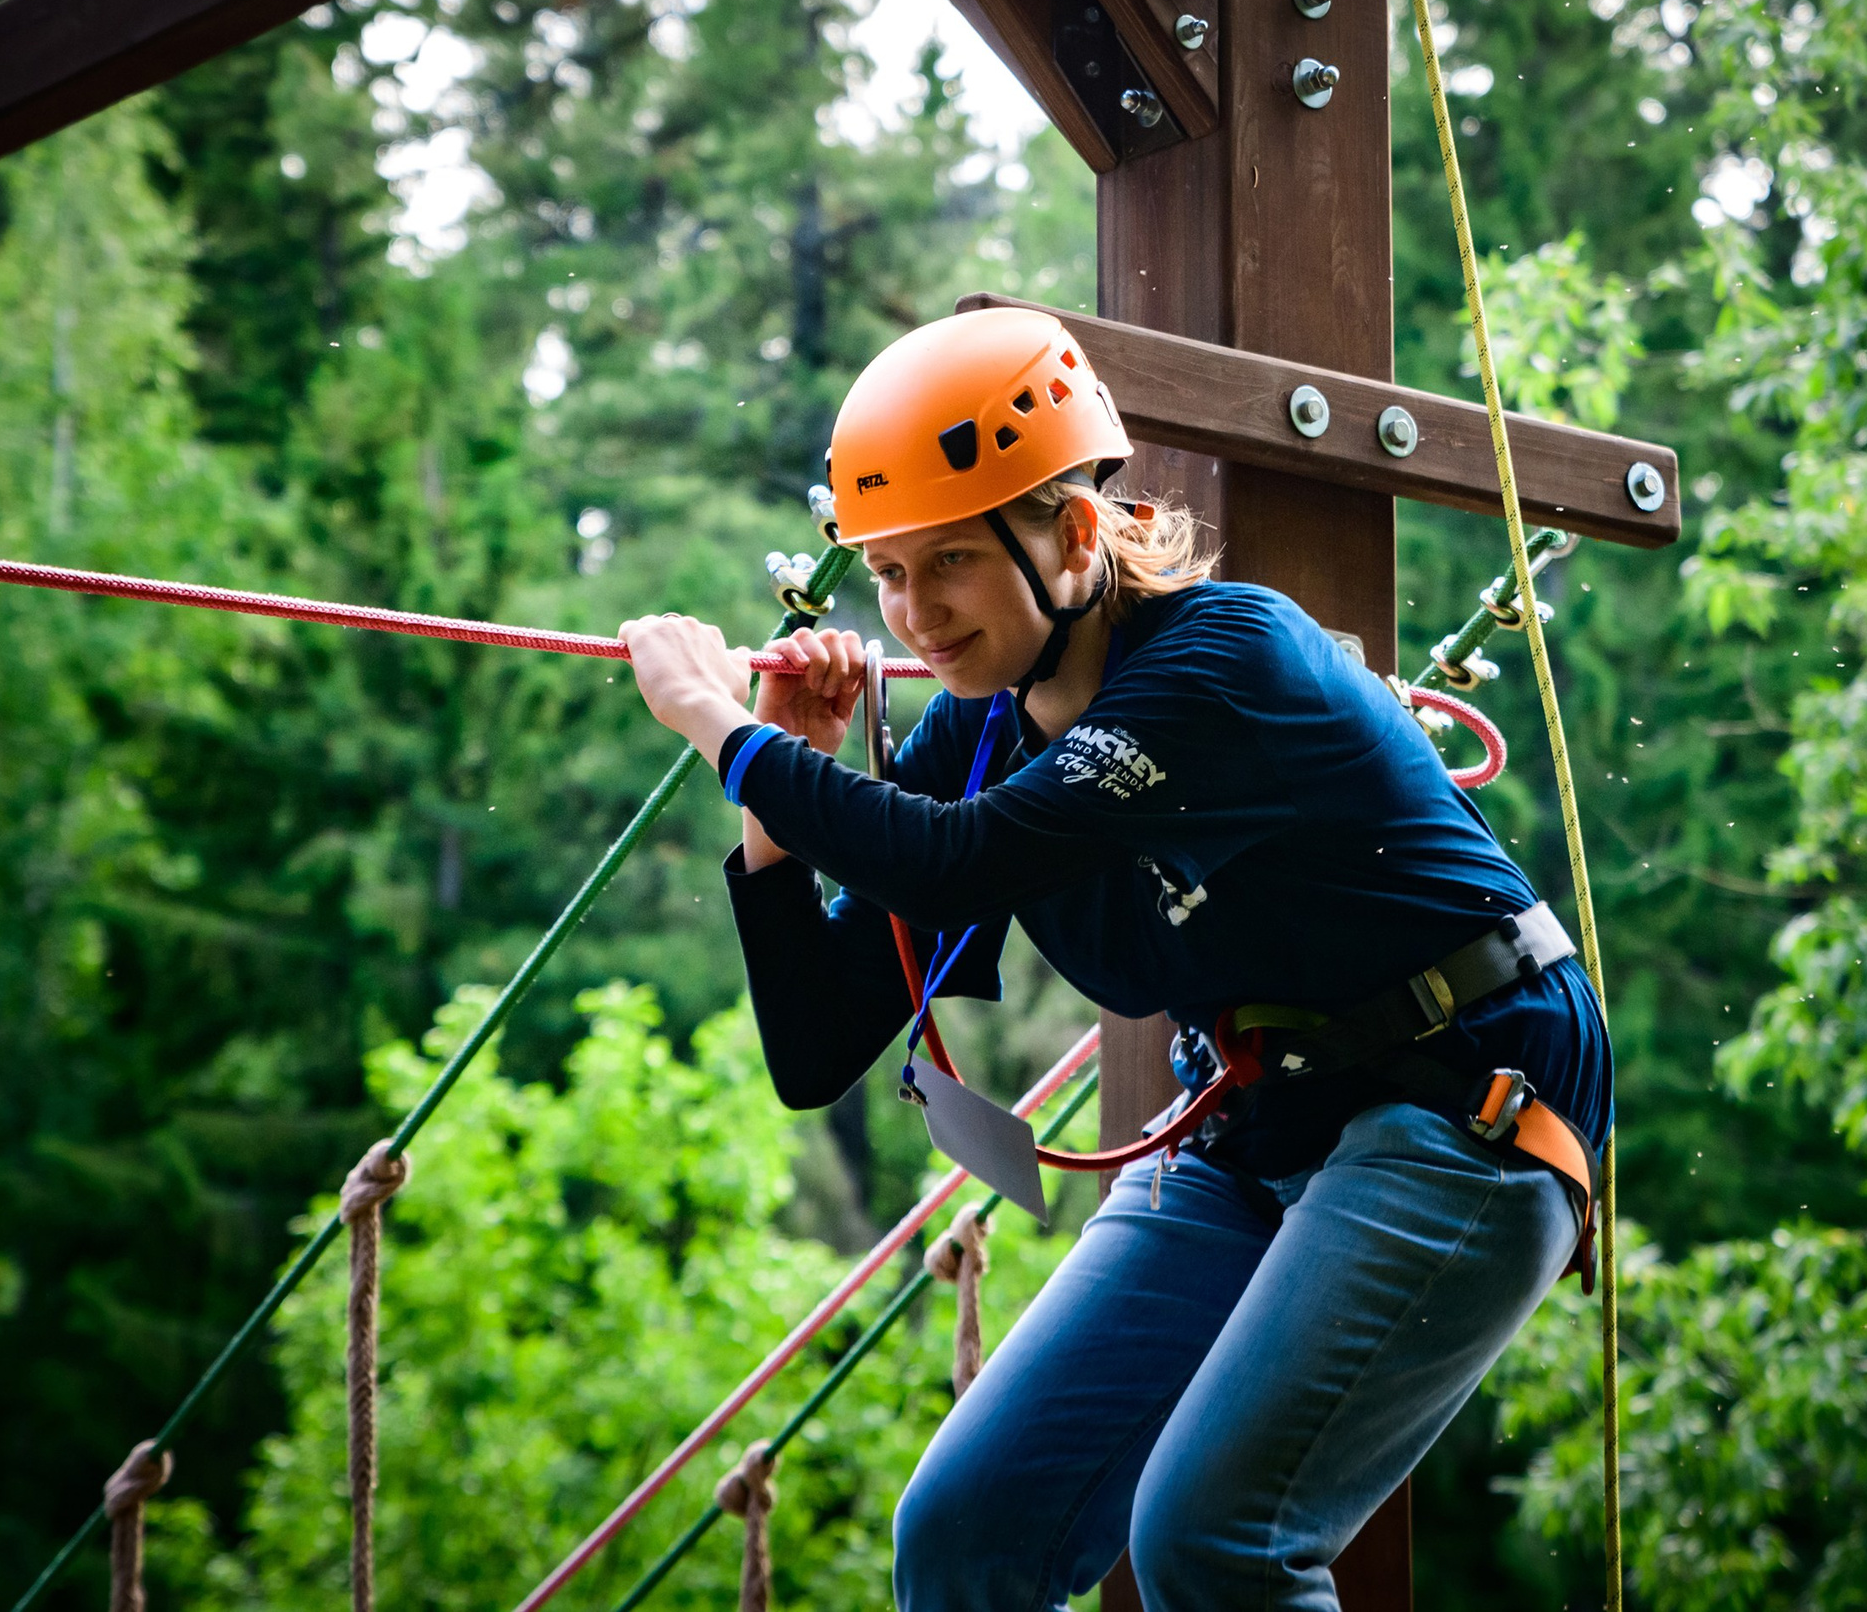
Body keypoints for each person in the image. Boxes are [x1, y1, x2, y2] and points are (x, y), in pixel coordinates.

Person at [619, 306, 1608, 1612]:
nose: (914, 614)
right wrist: (775, 806)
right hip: (1258, 1124)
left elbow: (952, 861)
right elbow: (817, 1048)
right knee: (965, 1532)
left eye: (950, 562)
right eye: (889, 573)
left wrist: (715, 724)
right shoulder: (983, 731)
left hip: (1464, 1099)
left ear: (1077, 536)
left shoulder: (1223, 660)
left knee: (1215, 1539)